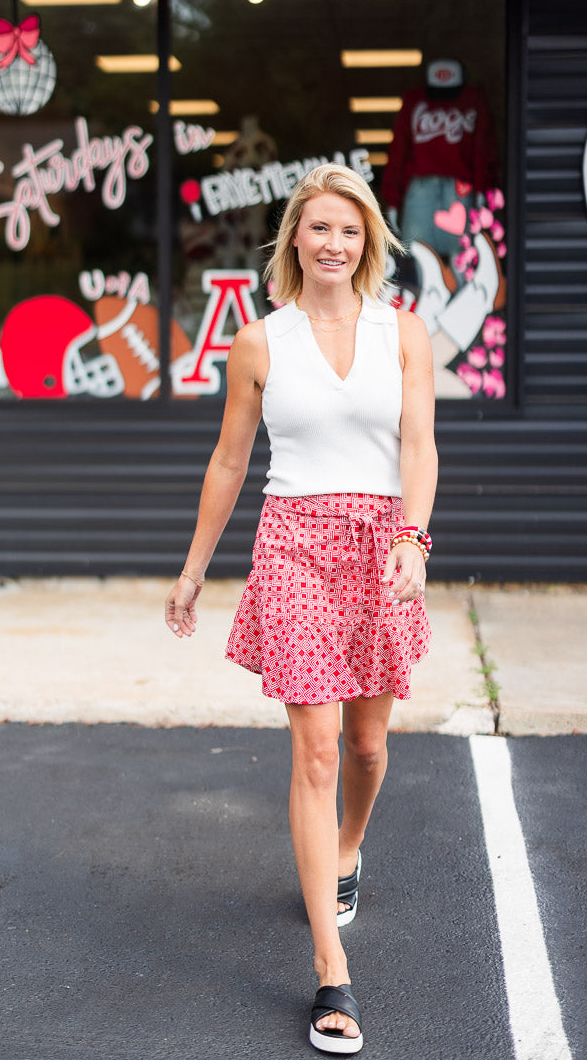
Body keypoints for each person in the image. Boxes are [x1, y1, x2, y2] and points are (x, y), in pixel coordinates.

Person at [165, 162, 437, 1054]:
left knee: (365, 744)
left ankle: (349, 849)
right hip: (292, 549)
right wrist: (194, 570)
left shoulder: (404, 334)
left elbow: (419, 448)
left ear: (369, 243)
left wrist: (413, 536)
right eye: (319, 228)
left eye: (350, 230)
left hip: (379, 547)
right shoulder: (259, 342)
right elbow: (229, 464)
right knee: (315, 750)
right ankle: (332, 971)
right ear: (295, 240)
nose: (334, 243)